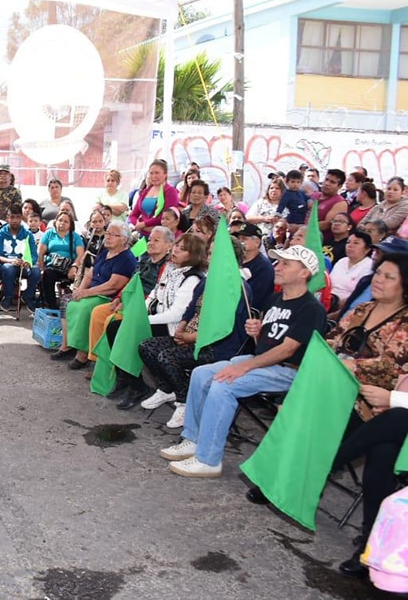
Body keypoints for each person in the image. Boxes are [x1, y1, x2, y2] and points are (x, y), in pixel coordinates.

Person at [159, 245, 327, 478]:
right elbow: (265, 344)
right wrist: (257, 331)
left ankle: (209, 460)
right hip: (261, 361)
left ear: (304, 273)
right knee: (200, 374)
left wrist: (242, 367)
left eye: (286, 264)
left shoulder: (311, 308)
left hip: (288, 371)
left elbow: (287, 350)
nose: (277, 267)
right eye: (278, 262)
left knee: (223, 383)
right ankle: (193, 440)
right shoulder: (275, 299)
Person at [323, 254, 408, 578]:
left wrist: (352, 366)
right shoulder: (362, 310)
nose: (378, 280)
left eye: (389, 276)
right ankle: (370, 548)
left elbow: (390, 366)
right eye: (379, 273)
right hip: (352, 398)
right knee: (381, 452)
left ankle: (324, 465)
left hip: (377, 405)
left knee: (385, 440)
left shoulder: (405, 322)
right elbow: (333, 341)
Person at [139, 236, 252, 429]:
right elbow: (190, 310)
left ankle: (184, 401)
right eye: (208, 253)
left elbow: (224, 327)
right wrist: (182, 330)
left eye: (213, 254)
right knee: (147, 346)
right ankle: (168, 388)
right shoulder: (208, 281)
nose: (208, 258)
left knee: (167, 356)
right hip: (193, 337)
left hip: (218, 346)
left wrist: (191, 338)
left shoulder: (238, 287)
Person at [113, 233, 208, 410]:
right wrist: (139, 315)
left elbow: (176, 315)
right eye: (177, 246)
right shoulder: (170, 269)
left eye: (183, 249)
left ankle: (139, 386)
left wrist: (143, 320)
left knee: (122, 329)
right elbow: (154, 295)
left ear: (193, 254)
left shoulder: (193, 278)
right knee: (115, 326)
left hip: (172, 328)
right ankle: (129, 380)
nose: (176, 250)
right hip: (158, 320)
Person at [54, 220, 137, 370]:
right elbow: (90, 274)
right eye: (108, 233)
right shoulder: (105, 253)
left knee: (85, 308)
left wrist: (87, 293)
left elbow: (113, 286)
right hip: (92, 292)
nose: (108, 237)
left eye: (113, 235)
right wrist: (80, 290)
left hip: (107, 297)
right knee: (70, 301)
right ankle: (70, 345)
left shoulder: (126, 258)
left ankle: (83, 353)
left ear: (124, 239)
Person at [0, 203, 40, 312]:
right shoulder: (0, 234)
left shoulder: (28, 234)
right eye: (12, 217)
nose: (15, 220)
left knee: (36, 271)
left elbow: (33, 254)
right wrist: (11, 260)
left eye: (18, 217)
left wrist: (28, 262)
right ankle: (8, 297)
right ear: (7, 218)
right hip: (5, 265)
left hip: (23, 265)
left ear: (21, 218)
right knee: (9, 268)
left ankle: (28, 296)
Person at [37, 211, 85, 310]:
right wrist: (41, 269)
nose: (62, 223)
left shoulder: (75, 236)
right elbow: (40, 253)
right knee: (47, 275)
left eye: (66, 221)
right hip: (52, 267)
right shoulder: (49, 234)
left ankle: (75, 306)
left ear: (70, 224)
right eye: (60, 220)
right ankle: (52, 307)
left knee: (82, 277)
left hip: (69, 267)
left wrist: (74, 267)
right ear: (56, 221)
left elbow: (81, 254)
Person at [129, 159, 180, 237]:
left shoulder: (170, 192)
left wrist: (144, 224)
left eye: (157, 173)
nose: (153, 176)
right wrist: (139, 225)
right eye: (151, 173)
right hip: (142, 235)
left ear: (165, 174)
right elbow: (133, 215)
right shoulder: (145, 191)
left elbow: (166, 217)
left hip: (160, 236)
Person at [232, 222, 275, 313]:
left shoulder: (263, 267)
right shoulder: (234, 260)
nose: (240, 241)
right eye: (238, 238)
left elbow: (255, 300)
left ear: (257, 242)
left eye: (244, 239)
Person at [329, 230, 375, 312]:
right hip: (329, 300)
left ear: (367, 249)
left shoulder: (369, 265)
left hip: (348, 307)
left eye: (356, 243)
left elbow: (358, 296)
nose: (350, 246)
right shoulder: (341, 261)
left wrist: (336, 306)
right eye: (348, 242)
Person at [316, 169, 350, 243]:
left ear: (340, 186)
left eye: (332, 182)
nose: (327, 183)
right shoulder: (313, 195)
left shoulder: (340, 203)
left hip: (318, 243)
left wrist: (302, 228)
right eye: (326, 179)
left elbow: (327, 224)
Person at [247, 178, 283, 244]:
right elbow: (248, 218)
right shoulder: (260, 202)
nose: (274, 190)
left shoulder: (286, 205)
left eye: (277, 188)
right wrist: (264, 218)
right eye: (271, 188)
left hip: (277, 240)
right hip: (258, 238)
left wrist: (279, 221)